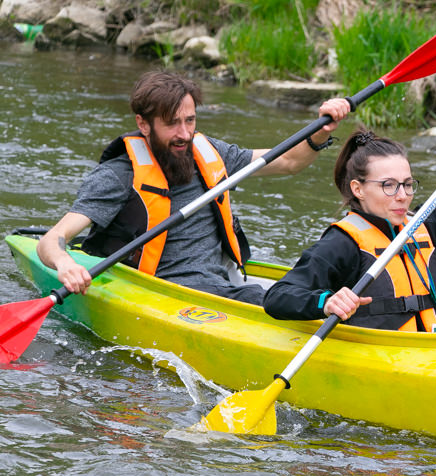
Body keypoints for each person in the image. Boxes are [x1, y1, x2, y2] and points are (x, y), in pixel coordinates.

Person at [36, 70, 351, 305]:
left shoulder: (207, 152)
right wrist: (65, 264)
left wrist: (321, 131)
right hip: (171, 296)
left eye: (190, 120)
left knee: (318, 286)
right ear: (143, 124)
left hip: (223, 287)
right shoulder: (119, 175)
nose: (184, 133)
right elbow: (51, 241)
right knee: (300, 304)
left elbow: (289, 163)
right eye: (172, 123)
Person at [263, 111, 436, 332]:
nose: (402, 196)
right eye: (388, 186)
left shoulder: (427, 223)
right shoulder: (343, 242)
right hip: (386, 355)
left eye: (406, 184)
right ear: (358, 189)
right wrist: (327, 302)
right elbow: (278, 297)